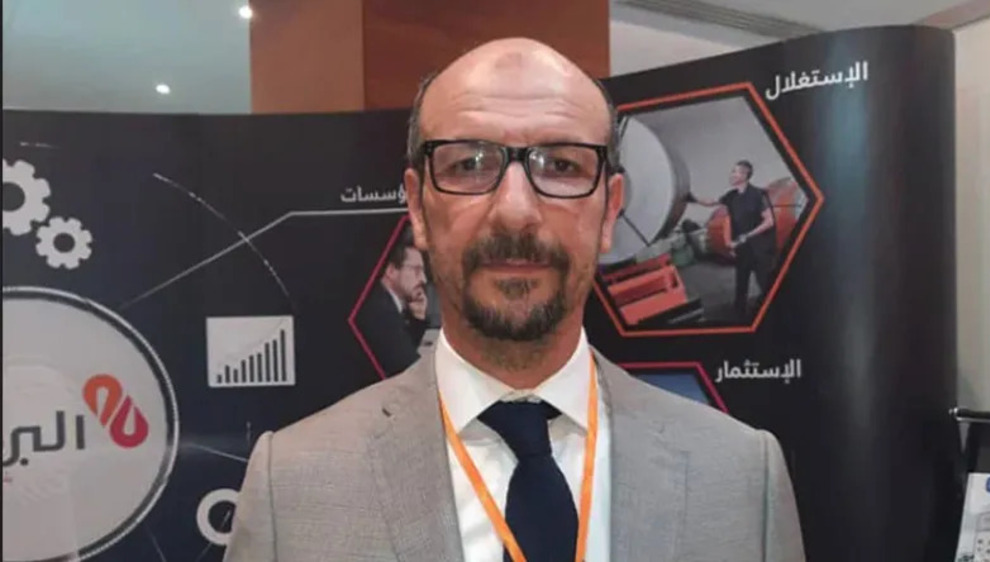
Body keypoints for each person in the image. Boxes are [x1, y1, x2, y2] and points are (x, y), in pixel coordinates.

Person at [224, 38, 805, 562]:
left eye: (562, 165)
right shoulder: (292, 488)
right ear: (418, 208)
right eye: (470, 165)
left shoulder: (740, 478)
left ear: (610, 210)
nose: (516, 210)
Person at [689, 160, 778, 320]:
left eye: (735, 172)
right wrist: (693, 199)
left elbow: (769, 221)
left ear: (744, 175)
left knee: (765, 283)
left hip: (760, 248)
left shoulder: (758, 195)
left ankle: (774, 314)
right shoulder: (731, 196)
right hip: (743, 249)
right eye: (732, 171)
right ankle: (740, 316)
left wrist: (747, 236)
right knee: (741, 284)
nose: (731, 174)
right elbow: (712, 202)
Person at [354, 224, 429, 376]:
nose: (423, 279)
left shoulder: (389, 304)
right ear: (391, 271)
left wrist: (417, 319)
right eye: (416, 270)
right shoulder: (381, 312)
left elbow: (403, 350)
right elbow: (408, 367)